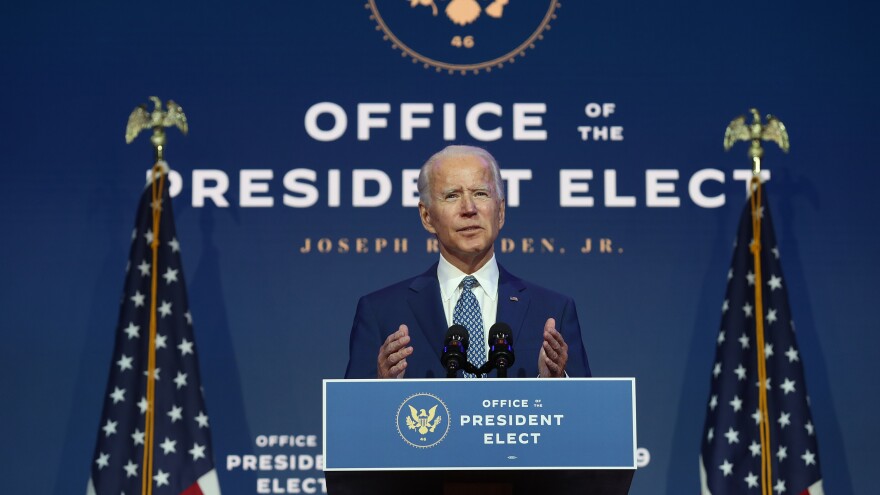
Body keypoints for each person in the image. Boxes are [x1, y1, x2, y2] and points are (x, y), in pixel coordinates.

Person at [344, 145, 590, 379]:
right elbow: (350, 416)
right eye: (452, 195)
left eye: (480, 193)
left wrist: (557, 385)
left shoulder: (553, 311)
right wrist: (379, 387)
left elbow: (587, 414)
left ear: (501, 212)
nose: (469, 209)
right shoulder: (381, 313)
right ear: (427, 216)